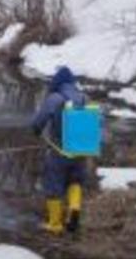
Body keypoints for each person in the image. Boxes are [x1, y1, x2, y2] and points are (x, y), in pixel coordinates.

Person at [31, 66, 87, 236]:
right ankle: (74, 210)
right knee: (75, 181)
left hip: (59, 150)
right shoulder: (84, 97)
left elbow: (39, 120)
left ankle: (55, 224)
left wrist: (36, 130)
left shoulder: (55, 98)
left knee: (53, 184)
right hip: (81, 149)